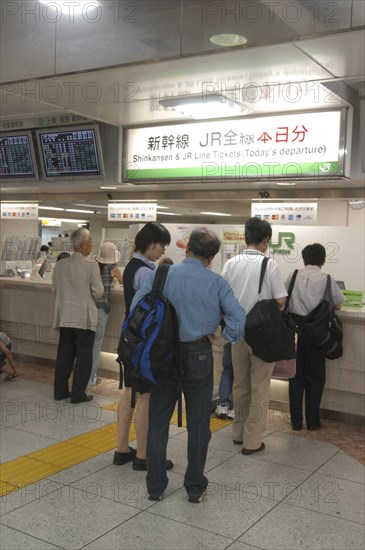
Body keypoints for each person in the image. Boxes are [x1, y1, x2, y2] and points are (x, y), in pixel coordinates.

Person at [131, 228, 245, 502]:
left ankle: (155, 487)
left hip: (162, 355)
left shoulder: (162, 274)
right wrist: (222, 339)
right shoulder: (216, 282)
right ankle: (194, 487)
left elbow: (136, 307)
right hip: (199, 354)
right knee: (198, 424)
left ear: (187, 248)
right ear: (212, 257)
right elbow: (239, 320)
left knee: (158, 421)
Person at [222, 217, 287, 455]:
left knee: (240, 385)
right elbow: (280, 300)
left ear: (245, 237)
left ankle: (238, 434)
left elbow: (222, 296)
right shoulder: (269, 265)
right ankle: (252, 441)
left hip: (236, 333)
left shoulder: (231, 263)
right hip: (262, 336)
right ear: (265, 240)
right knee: (260, 387)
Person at [113, 222, 172, 471]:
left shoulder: (131, 267)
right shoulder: (147, 273)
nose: (162, 251)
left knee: (129, 394)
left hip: (129, 339)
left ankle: (122, 448)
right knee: (145, 397)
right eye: (161, 246)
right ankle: (144, 456)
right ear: (151, 244)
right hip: (144, 345)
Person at [285, 243, 345, 431]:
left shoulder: (292, 276)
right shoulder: (327, 279)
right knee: (316, 378)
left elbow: (282, 300)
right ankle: (312, 421)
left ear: (303, 259)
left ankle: (295, 421)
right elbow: (338, 306)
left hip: (295, 334)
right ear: (323, 260)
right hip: (318, 336)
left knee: (295, 378)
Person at [52, 228, 104, 403]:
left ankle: (60, 391)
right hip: (84, 318)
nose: (91, 245)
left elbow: (55, 289)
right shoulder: (91, 265)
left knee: (64, 355)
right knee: (83, 357)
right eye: (90, 241)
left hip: (65, 317)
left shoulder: (60, 265)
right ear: (83, 244)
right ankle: (78, 393)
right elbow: (98, 293)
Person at [89, 242, 122, 386]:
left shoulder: (93, 266)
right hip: (102, 309)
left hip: (89, 307)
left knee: (88, 343)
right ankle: (91, 378)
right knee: (96, 344)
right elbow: (123, 282)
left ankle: (85, 376)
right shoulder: (113, 268)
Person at [215, 342, 234, 420]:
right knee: (239, 373)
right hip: (244, 339)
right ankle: (234, 408)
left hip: (229, 335)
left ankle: (222, 406)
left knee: (227, 369)